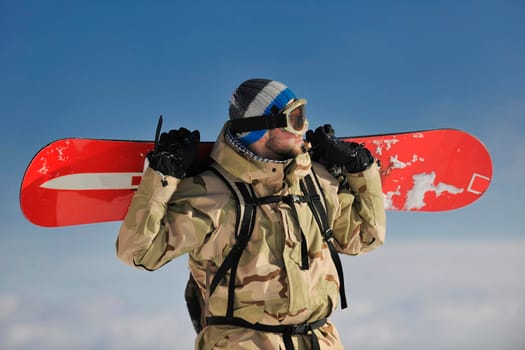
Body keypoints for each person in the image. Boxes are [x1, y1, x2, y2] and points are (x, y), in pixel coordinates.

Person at [116, 78, 386, 349]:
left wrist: (361, 169)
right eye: (294, 119)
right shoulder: (212, 194)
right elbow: (139, 253)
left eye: (302, 115)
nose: (303, 129)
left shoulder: (316, 180)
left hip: (320, 340)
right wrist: (162, 176)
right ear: (261, 128)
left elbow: (364, 238)